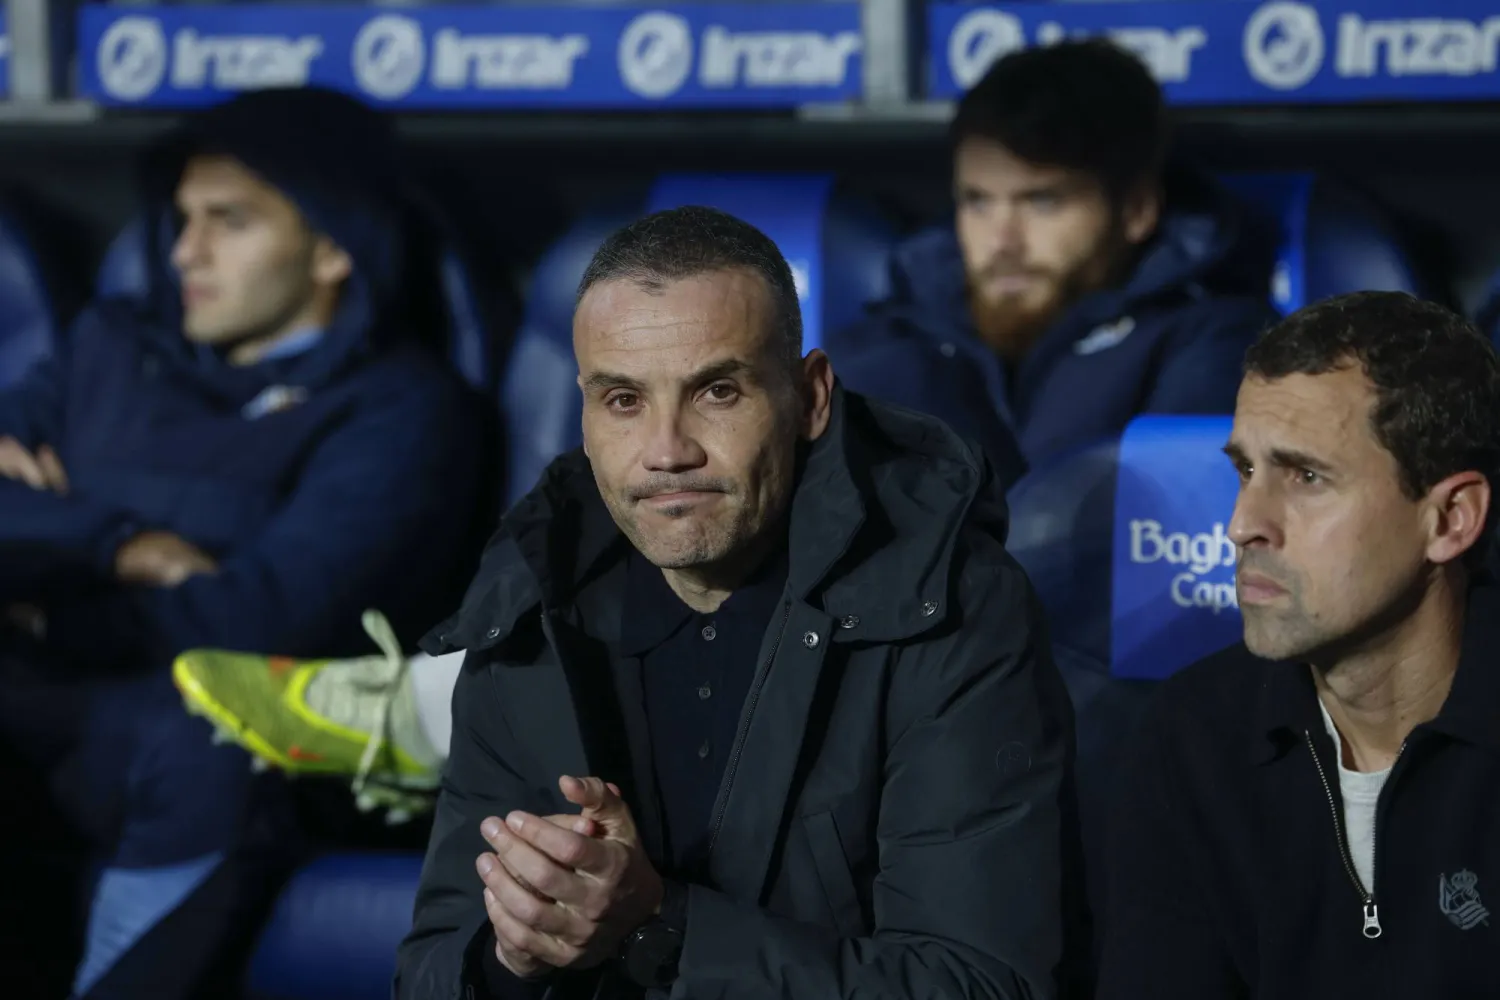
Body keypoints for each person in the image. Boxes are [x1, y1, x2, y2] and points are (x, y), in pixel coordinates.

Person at [375, 205, 1075, 999]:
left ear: (811, 397)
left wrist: (660, 921)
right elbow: (431, 968)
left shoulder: (945, 601)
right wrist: (513, 960)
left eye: (715, 391)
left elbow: (981, 984)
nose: (668, 451)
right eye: (623, 401)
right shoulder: (532, 601)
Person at [0, 87, 485, 999]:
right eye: (182, 219)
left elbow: (268, 615)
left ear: (333, 248)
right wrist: (122, 546)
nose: (185, 252)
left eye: (228, 222)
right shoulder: (107, 346)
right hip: (43, 690)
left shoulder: (403, 413)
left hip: (204, 734)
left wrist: (44, 593)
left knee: (204, 749)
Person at [1097, 291, 1500, 998]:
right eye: (1245, 471)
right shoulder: (1193, 734)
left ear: (1451, 519)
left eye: (1306, 477)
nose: (1242, 524)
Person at [831, 39, 1274, 473]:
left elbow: (1171, 518)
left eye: (1042, 202)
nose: (1002, 240)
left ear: (1136, 210)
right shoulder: (891, 343)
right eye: (977, 201)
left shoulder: (1215, 343)